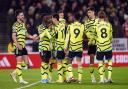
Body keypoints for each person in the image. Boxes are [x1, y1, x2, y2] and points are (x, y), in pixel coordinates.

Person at [10, 10, 36, 84]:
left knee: (27, 64)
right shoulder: (15, 25)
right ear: (17, 16)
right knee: (19, 63)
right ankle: (21, 79)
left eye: (23, 15)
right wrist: (17, 45)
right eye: (21, 15)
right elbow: (13, 36)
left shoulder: (23, 24)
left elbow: (26, 34)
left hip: (23, 46)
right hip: (18, 46)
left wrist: (32, 37)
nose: (23, 16)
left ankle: (13, 73)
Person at [64, 13, 85, 83]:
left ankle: (70, 76)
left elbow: (67, 37)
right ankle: (80, 79)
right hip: (79, 47)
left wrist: (65, 46)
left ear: (74, 18)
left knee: (69, 62)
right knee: (79, 62)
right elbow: (84, 35)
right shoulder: (82, 26)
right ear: (79, 19)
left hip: (72, 47)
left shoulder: (70, 26)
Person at [96, 11, 113, 83]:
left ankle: (102, 79)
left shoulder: (97, 26)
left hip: (100, 47)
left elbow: (96, 36)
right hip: (108, 46)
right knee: (109, 61)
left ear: (98, 17)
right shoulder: (109, 25)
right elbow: (111, 36)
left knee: (100, 62)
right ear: (105, 17)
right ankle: (109, 77)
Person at [84, 7, 99, 83]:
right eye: (88, 12)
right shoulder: (86, 22)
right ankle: (92, 76)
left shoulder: (98, 21)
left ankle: (102, 77)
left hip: (99, 42)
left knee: (101, 60)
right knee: (92, 59)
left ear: (93, 12)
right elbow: (86, 32)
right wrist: (91, 38)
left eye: (90, 12)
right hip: (91, 43)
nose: (88, 14)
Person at [38, 15, 53, 83]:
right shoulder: (40, 27)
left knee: (47, 63)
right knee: (44, 62)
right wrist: (46, 31)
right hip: (42, 47)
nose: (49, 20)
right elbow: (41, 36)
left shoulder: (51, 27)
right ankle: (43, 78)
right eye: (48, 19)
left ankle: (45, 78)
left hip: (49, 48)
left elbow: (52, 36)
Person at [52, 13, 67, 83]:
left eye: (52, 18)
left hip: (59, 46)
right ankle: (66, 78)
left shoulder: (56, 27)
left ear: (55, 19)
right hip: (65, 45)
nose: (52, 20)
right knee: (64, 61)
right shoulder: (63, 25)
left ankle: (60, 79)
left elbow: (55, 37)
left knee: (59, 62)